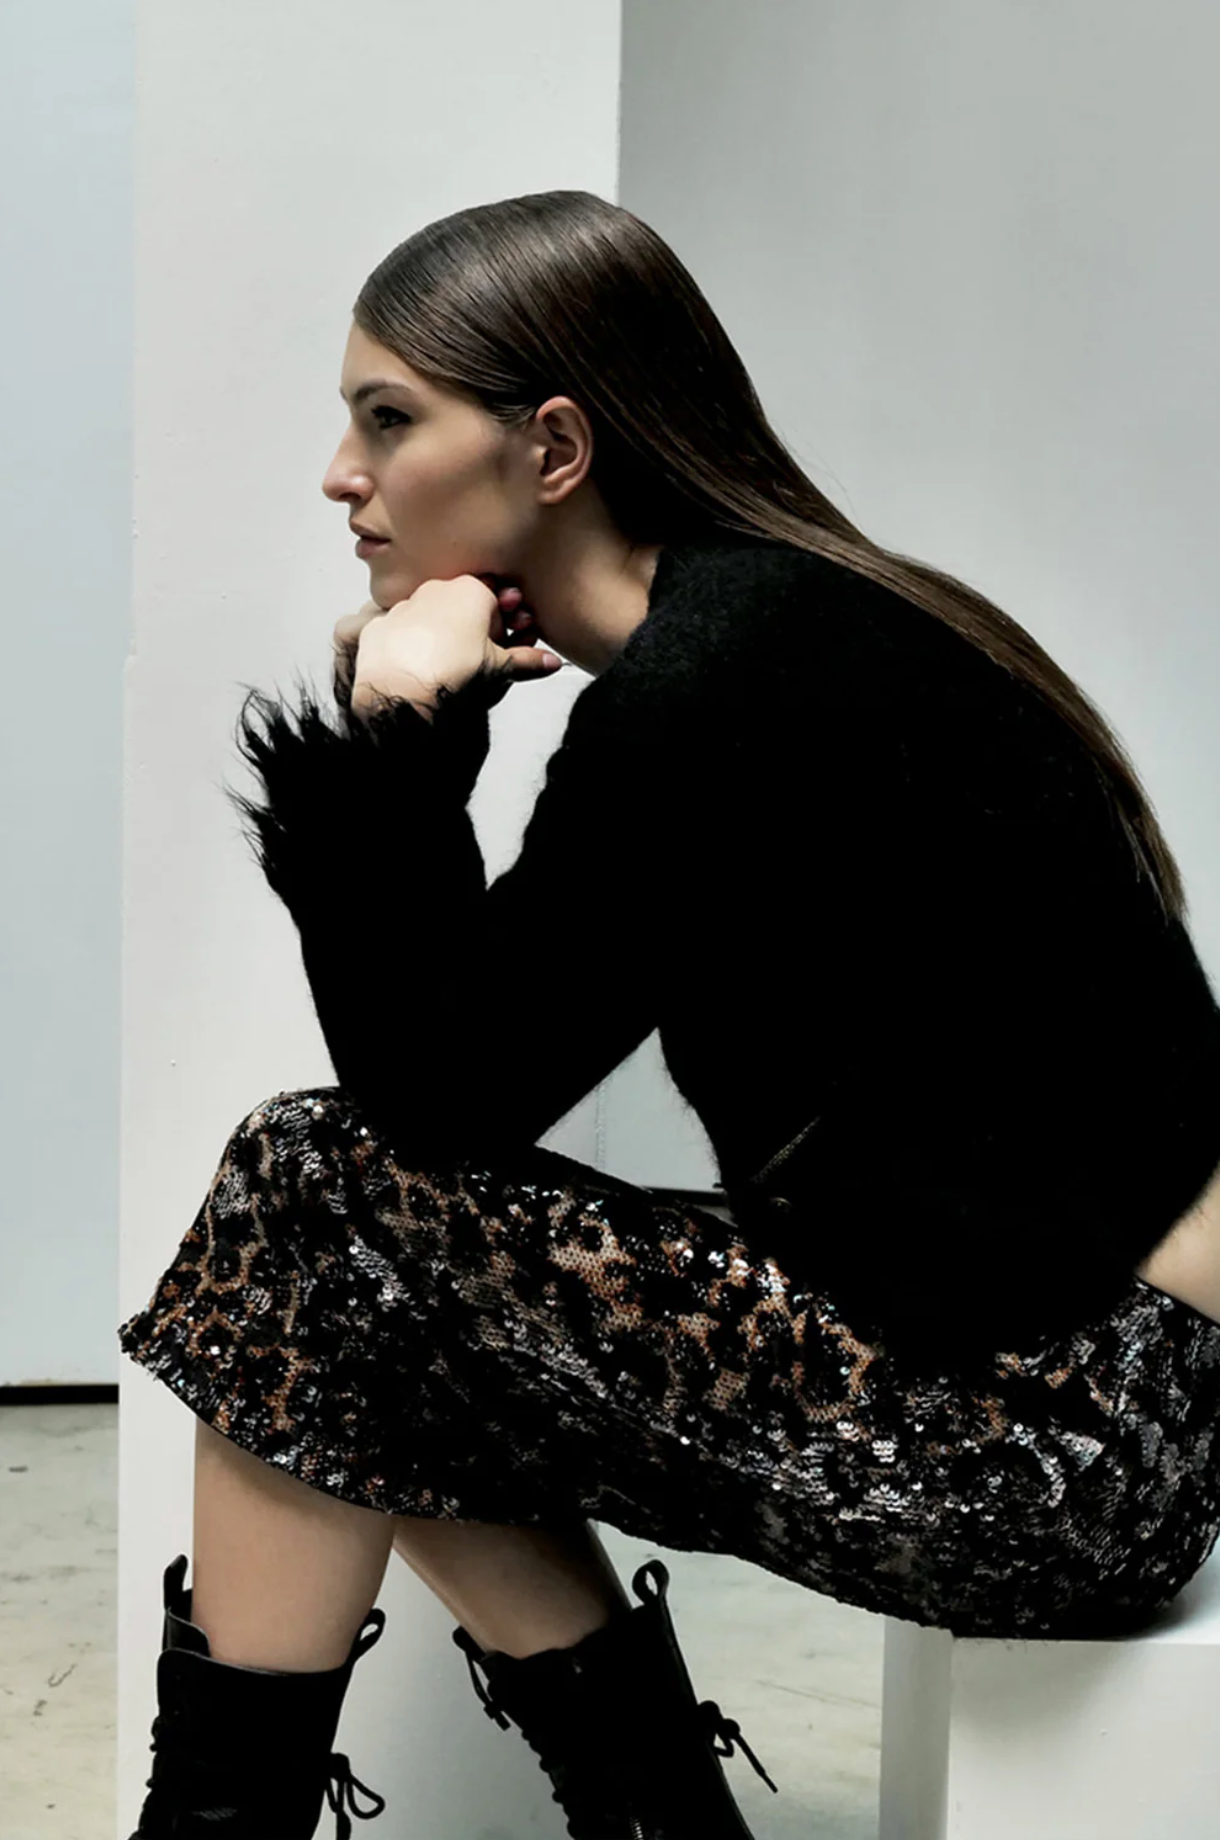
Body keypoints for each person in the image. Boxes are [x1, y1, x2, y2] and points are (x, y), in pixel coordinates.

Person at [118, 189, 1220, 1839]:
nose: (341, 477)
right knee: (360, 1282)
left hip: (1046, 1438)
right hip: (1105, 1409)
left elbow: (438, 1099)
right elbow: (462, 1083)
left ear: (552, 448)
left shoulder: (717, 686)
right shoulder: (775, 626)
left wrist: (408, 732)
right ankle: (648, 1825)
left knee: (310, 1194)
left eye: (387, 418)